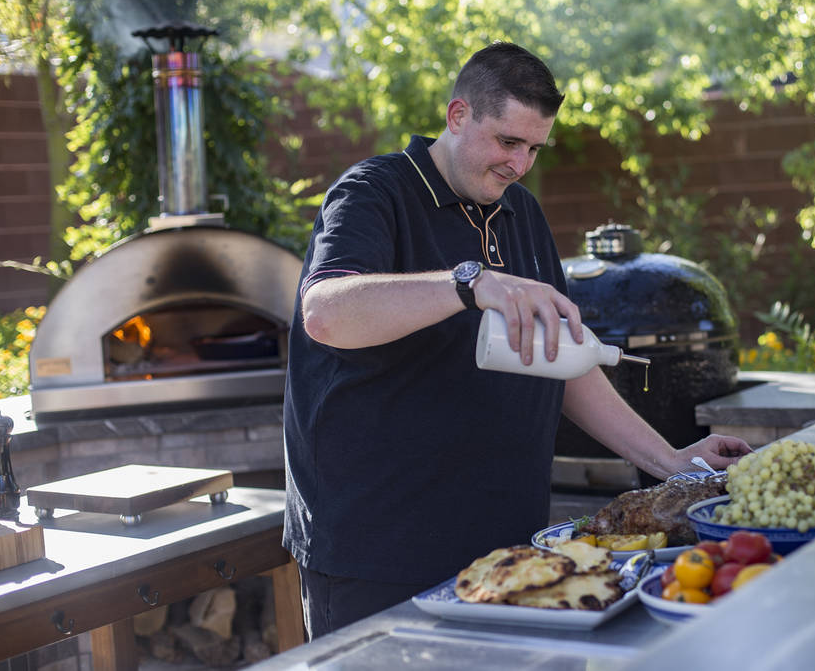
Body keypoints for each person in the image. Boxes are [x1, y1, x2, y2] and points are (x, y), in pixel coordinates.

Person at [282, 41, 752, 638]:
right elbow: (325, 312)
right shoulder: (373, 191)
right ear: (458, 116)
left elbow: (567, 358)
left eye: (534, 148)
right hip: (377, 551)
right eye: (508, 141)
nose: (520, 164)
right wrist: (468, 282)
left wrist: (672, 463)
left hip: (507, 544)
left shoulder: (520, 212)